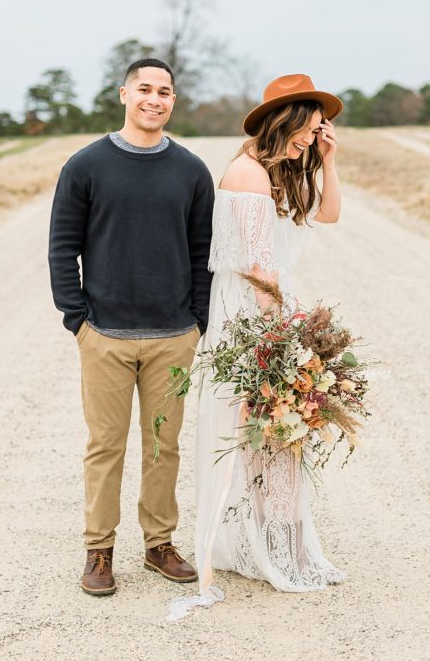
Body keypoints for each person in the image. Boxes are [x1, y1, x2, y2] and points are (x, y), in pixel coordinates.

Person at [169, 73, 344, 620]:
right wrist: (285, 340)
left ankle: (274, 542)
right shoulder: (247, 174)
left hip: (272, 306)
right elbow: (259, 269)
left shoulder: (285, 171)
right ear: (283, 121)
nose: (312, 140)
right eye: (308, 130)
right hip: (252, 315)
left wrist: (329, 162)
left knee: (277, 432)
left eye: (319, 132)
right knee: (259, 428)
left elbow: (331, 213)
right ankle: (263, 546)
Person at [48, 58, 214, 596]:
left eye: (164, 91)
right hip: (106, 337)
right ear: (124, 93)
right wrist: (77, 319)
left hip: (172, 337)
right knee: (105, 446)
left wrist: (197, 321)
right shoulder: (86, 165)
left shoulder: (190, 170)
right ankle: (99, 552)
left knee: (165, 447)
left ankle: (159, 544)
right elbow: (62, 247)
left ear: (172, 101)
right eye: (145, 88)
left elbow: (201, 253)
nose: (155, 99)